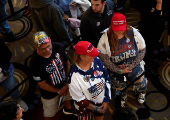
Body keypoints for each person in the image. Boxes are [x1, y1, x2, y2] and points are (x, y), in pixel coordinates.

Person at [97, 12, 148, 107]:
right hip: (115, 69)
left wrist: (131, 66)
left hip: (134, 66)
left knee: (141, 83)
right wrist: (119, 70)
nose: (118, 32)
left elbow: (142, 50)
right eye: (116, 29)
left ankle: (141, 92)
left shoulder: (134, 33)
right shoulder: (104, 38)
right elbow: (104, 59)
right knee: (119, 89)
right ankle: (122, 98)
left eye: (121, 29)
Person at [30, 31, 73, 120]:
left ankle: (68, 109)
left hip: (65, 83)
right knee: (49, 113)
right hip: (49, 93)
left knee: (67, 98)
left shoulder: (57, 46)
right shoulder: (35, 63)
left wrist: (66, 85)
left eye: (48, 46)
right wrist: (59, 91)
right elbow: (42, 84)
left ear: (49, 40)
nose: (47, 50)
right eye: (43, 49)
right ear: (36, 47)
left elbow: (68, 64)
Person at [68, 41, 111, 120]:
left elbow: (106, 78)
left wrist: (106, 100)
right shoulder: (74, 76)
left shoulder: (97, 60)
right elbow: (79, 100)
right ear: (82, 57)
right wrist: (96, 108)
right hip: (84, 108)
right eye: (91, 55)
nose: (95, 56)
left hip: (101, 102)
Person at [0, 40, 28, 112]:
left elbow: (7, 54)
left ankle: (17, 100)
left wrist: (1, 66)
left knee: (12, 86)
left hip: (3, 73)